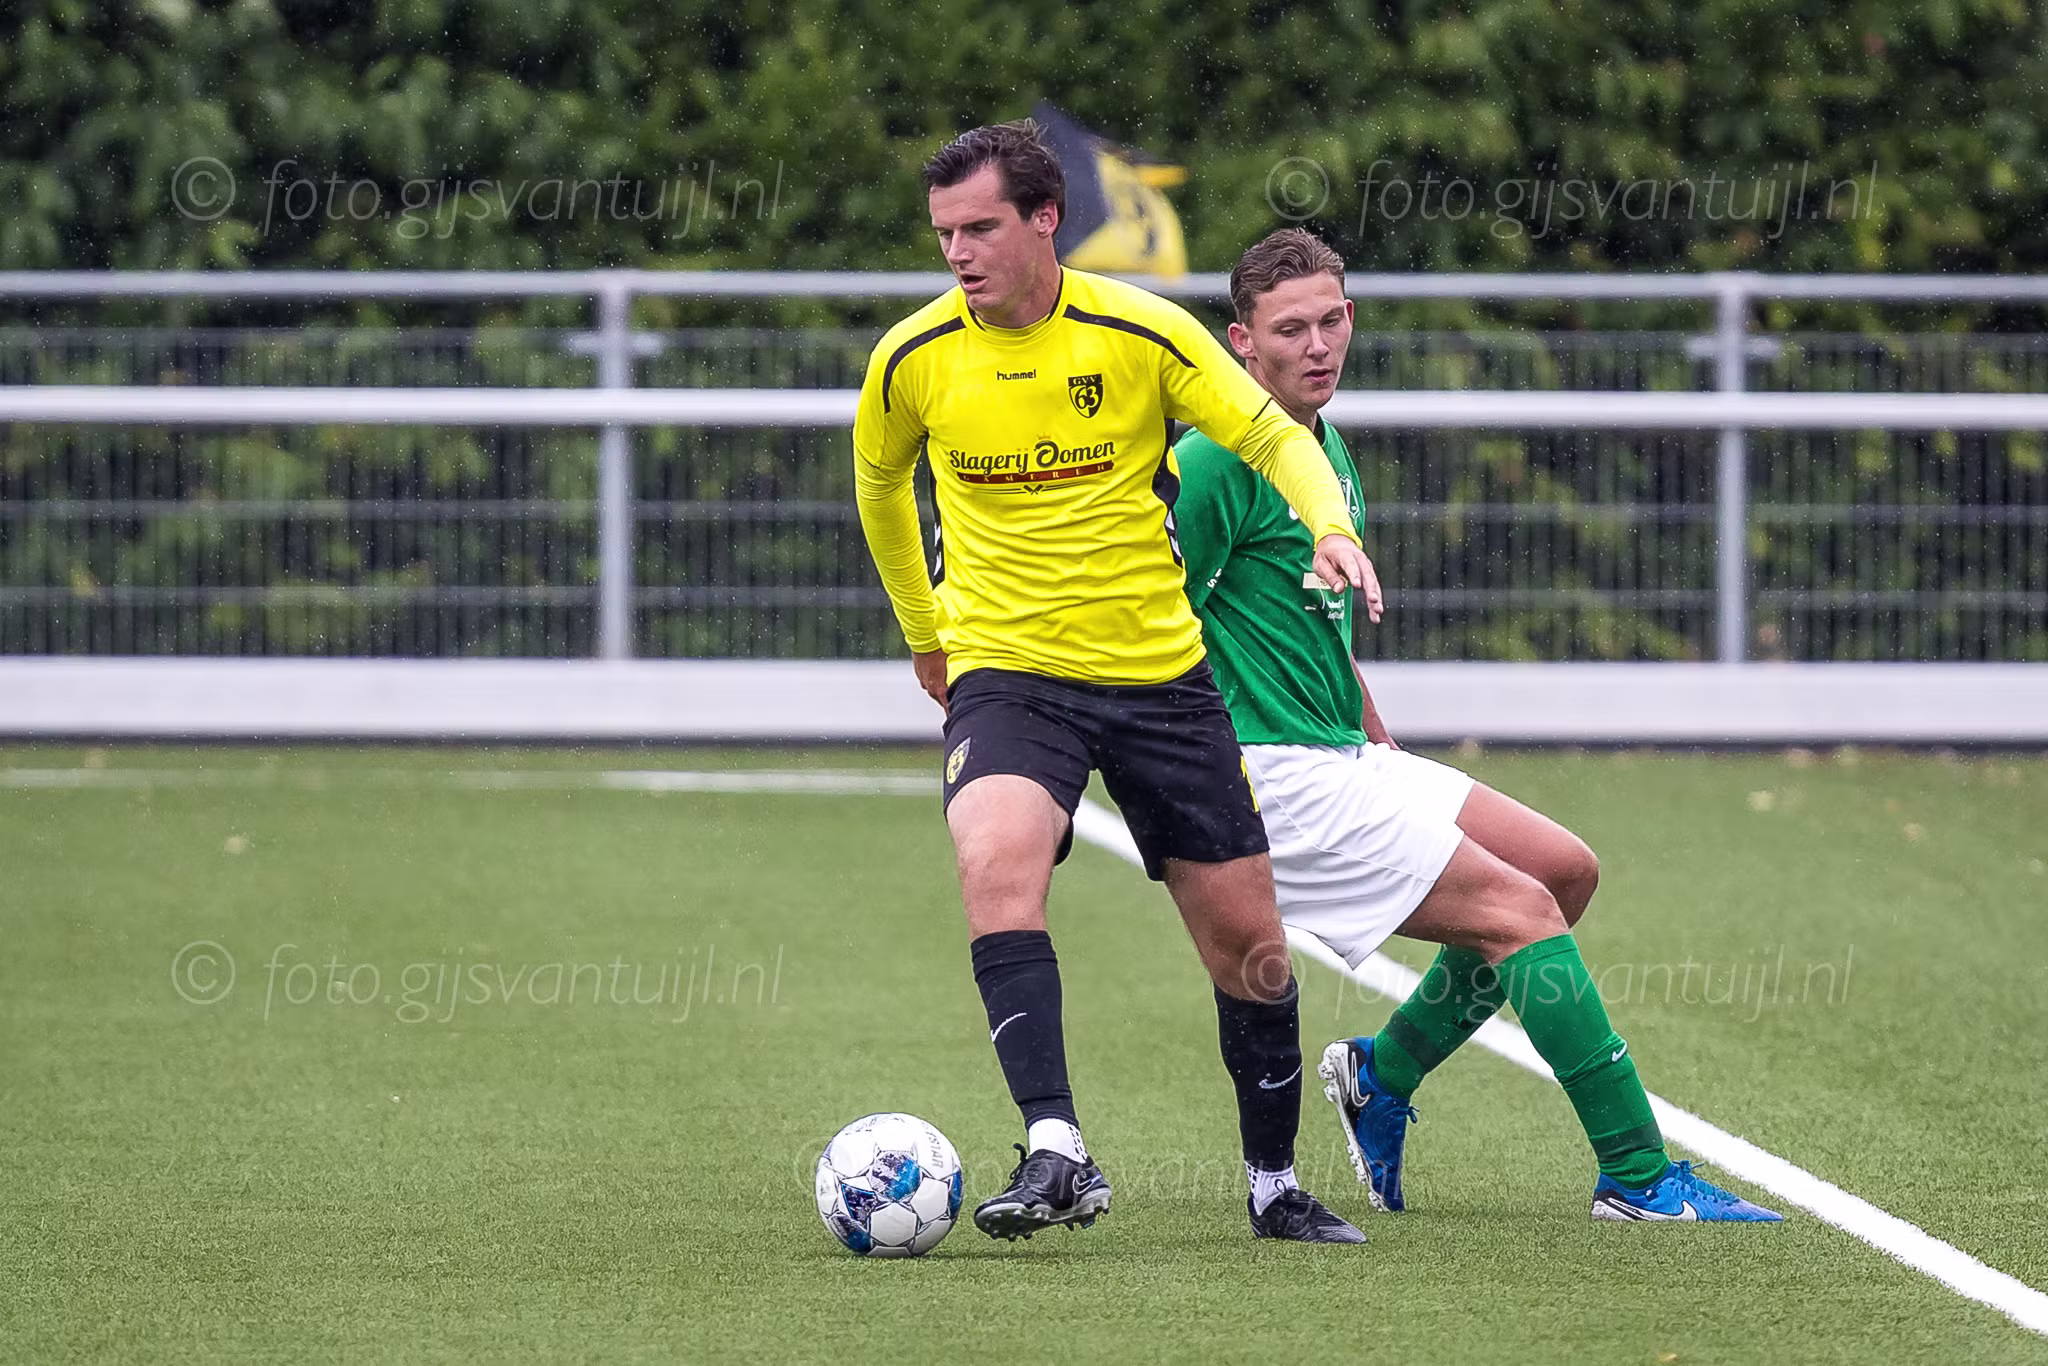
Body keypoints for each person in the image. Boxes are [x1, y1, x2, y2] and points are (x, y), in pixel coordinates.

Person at [1171, 227, 1783, 1223]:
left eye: (1329, 322)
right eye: (1288, 330)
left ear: (1350, 317)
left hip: (1343, 752)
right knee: (1520, 913)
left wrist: (1376, 739)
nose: (1316, 346)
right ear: (1241, 342)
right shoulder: (1209, 462)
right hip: (1267, 776)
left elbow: (1309, 623)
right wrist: (1185, 793)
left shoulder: (1322, 445)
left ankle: (1381, 1075)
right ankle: (1636, 1177)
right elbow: (1153, 631)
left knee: (1563, 872)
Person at [853, 122, 1379, 1243]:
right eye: (944, 233)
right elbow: (880, 487)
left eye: (980, 227)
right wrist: (926, 634)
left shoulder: (1141, 330)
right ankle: (1056, 1148)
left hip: (1158, 678)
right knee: (993, 857)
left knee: (1250, 950)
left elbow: (1272, 437)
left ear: (1045, 219)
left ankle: (1272, 1183)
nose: (957, 252)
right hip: (1009, 670)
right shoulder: (911, 357)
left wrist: (1329, 524)